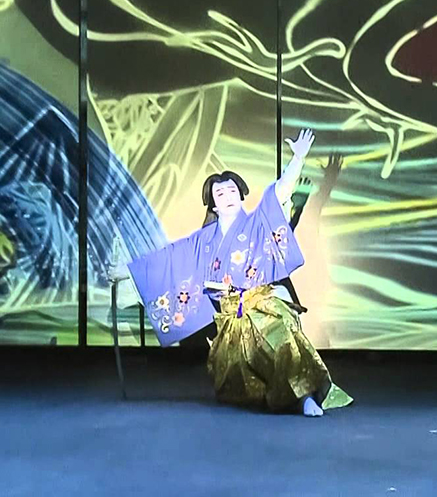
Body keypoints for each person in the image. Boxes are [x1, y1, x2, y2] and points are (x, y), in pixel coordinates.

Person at [108, 129, 352, 416]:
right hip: (228, 319)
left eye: (232, 191)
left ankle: (304, 398)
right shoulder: (202, 241)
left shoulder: (257, 222)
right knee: (241, 381)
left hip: (263, 305)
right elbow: (168, 261)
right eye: (220, 193)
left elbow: (281, 190)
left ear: (241, 196)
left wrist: (297, 158)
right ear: (213, 203)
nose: (227, 196)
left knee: (281, 337)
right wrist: (125, 272)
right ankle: (279, 395)